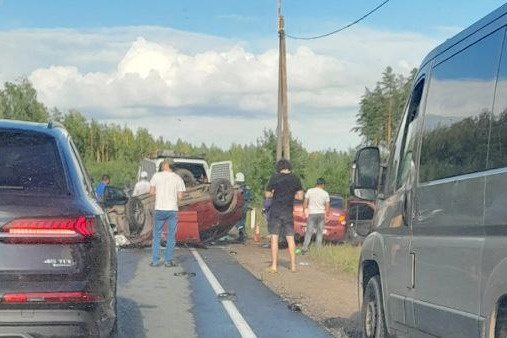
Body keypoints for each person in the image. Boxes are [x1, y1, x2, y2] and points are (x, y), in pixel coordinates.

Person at [265, 159, 304, 273]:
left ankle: (274, 266)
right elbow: (300, 197)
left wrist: (274, 194)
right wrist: (291, 195)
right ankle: (293, 266)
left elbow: (267, 194)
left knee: (275, 238)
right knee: (290, 238)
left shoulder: (274, 178)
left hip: (276, 211)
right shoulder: (295, 178)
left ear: (278, 168)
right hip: (288, 211)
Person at [149, 159, 186, 267]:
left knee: (157, 236)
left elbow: (151, 192)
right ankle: (168, 261)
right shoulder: (178, 178)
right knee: (171, 236)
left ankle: (155, 261)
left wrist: (160, 193)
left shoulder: (156, 176)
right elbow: (180, 197)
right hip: (172, 210)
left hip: (159, 209)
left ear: (165, 165)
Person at [302, 178, 330, 253]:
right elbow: (327, 206)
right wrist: (327, 215)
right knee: (320, 231)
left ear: (316, 183)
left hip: (312, 213)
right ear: (323, 184)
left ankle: (305, 247)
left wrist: (304, 211)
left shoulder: (310, 191)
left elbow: (305, 202)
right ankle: (318, 248)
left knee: (309, 231)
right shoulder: (325, 193)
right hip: (321, 213)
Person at [235, 172, 251, 242]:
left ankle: (242, 233)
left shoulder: (237, 188)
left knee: (237, 221)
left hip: (240, 206)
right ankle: (242, 234)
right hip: (245, 206)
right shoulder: (247, 188)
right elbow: (250, 198)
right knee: (243, 221)